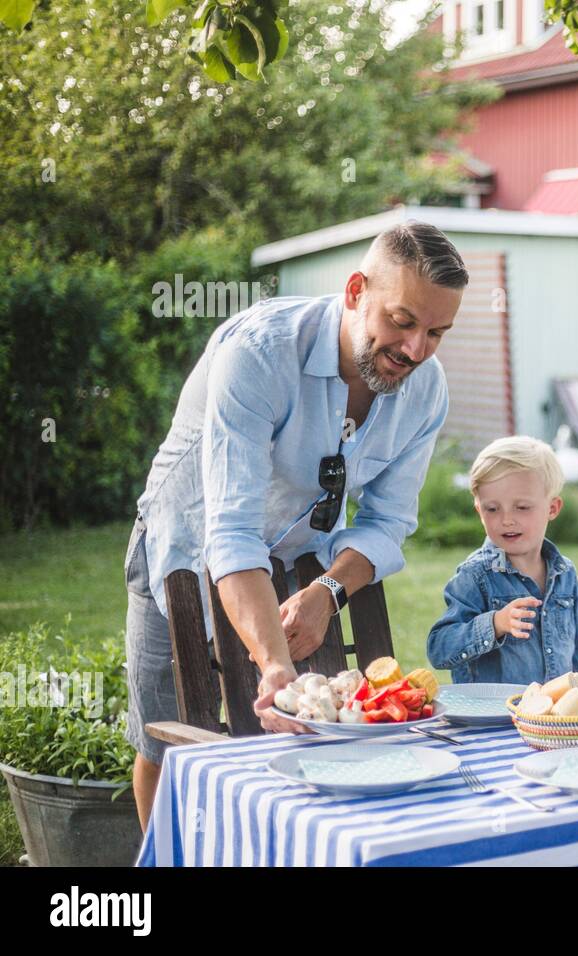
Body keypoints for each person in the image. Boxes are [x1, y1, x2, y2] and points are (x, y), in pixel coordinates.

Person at [125, 222, 466, 827]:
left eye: (437, 332)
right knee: (166, 746)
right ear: (357, 289)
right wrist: (274, 661)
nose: (417, 350)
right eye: (403, 321)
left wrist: (328, 592)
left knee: (292, 742)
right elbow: (228, 533)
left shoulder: (426, 391)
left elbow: (389, 523)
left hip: (298, 558)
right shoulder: (257, 353)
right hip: (180, 551)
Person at [426, 436, 578, 684]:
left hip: (556, 717)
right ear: (479, 511)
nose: (507, 519)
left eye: (522, 507)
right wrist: (494, 624)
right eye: (492, 509)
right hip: (496, 718)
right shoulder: (476, 575)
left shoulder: (564, 573)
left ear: (552, 508)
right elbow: (439, 648)